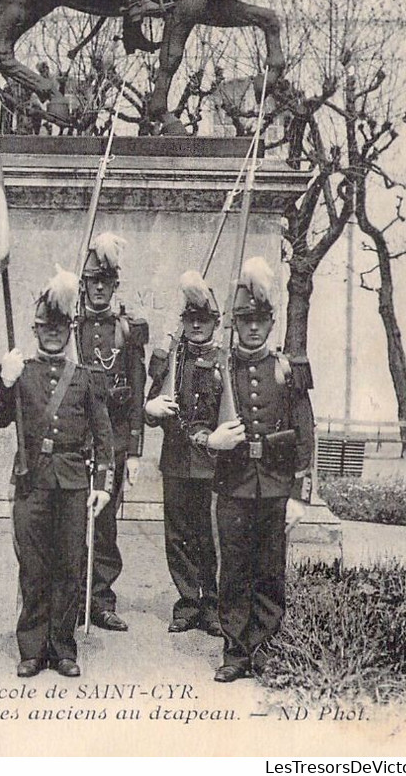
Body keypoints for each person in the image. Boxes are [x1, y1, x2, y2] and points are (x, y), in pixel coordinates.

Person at [0, 266, 114, 679]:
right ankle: (31, 647)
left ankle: (63, 647)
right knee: (33, 565)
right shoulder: (21, 370)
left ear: (70, 328)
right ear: (35, 329)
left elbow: (102, 434)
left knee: (69, 565)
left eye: (60, 327)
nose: (53, 334)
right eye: (45, 327)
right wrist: (4, 383)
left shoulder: (85, 378)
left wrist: (102, 484)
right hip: (32, 480)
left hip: (73, 481)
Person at [213, 257, 315, 682]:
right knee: (234, 570)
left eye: (260, 320)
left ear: (272, 323)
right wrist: (213, 440)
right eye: (245, 320)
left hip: (273, 485)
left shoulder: (288, 370)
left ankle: (268, 648)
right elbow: (196, 424)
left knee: (270, 570)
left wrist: (297, 494)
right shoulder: (220, 369)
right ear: (235, 323)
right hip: (234, 484)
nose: (253, 327)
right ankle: (235, 652)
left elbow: (305, 431)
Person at [145, 271, 244, 636]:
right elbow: (153, 408)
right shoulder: (171, 360)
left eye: (204, 320)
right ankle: (187, 603)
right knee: (178, 535)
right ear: (183, 323)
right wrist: (150, 409)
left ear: (216, 323)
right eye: (191, 319)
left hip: (214, 464)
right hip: (175, 462)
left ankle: (212, 605)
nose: (198, 325)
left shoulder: (226, 361)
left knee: (211, 536)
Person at [75, 232, 147, 632]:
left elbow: (137, 391)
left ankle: (101, 601)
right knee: (70, 524)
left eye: (106, 282)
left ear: (115, 285)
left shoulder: (128, 330)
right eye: (92, 282)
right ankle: (70, 600)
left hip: (115, 441)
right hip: (76, 440)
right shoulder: (71, 328)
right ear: (84, 285)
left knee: (104, 525)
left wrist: (134, 450)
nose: (99, 288)